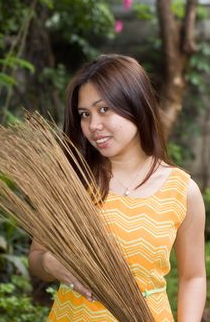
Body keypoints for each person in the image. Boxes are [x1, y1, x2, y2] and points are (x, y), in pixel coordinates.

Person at [28, 54, 206, 322]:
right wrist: (53, 264)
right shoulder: (73, 181)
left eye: (103, 110)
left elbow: (193, 276)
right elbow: (37, 258)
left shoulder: (182, 191)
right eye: (84, 114)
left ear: (135, 104)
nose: (93, 126)